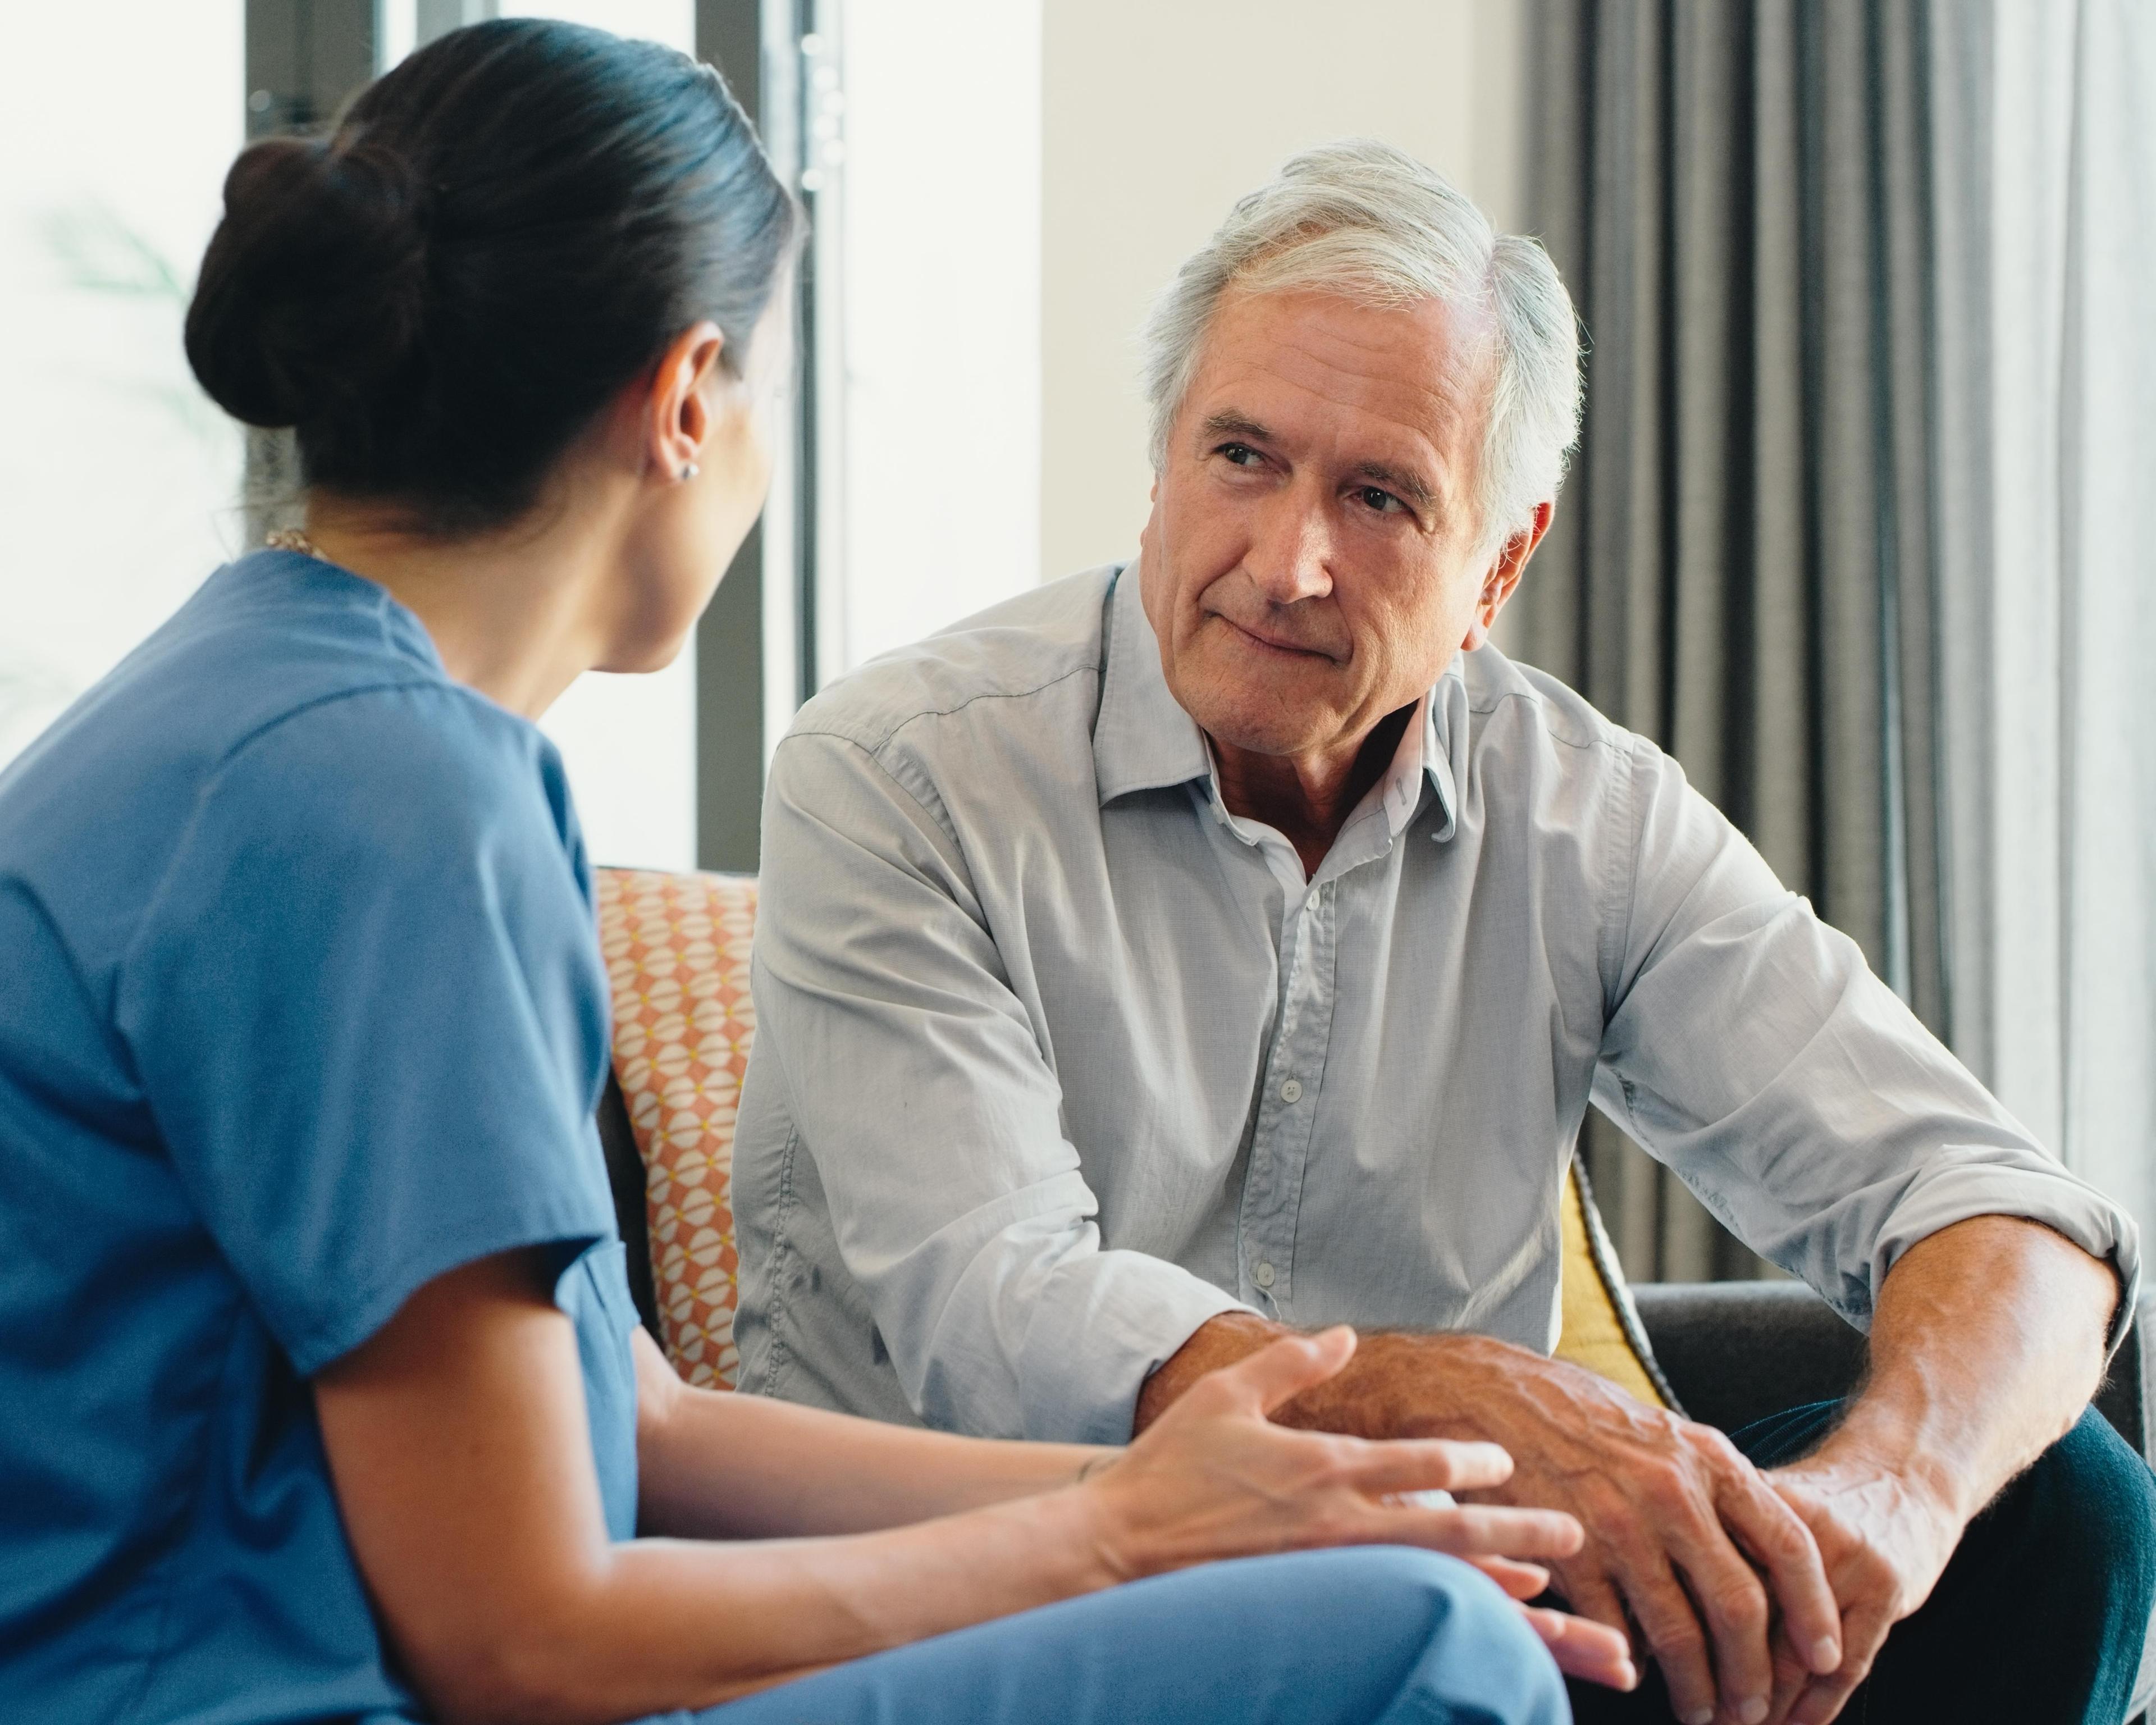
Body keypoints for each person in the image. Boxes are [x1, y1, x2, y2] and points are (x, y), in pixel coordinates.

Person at [0, 28, 1637, 1725]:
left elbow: (636, 1428)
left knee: (1375, 1586)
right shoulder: (392, 794)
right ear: (690, 398)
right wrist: (1121, 1545)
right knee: (1427, 1649)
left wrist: (1200, 1504)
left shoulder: (280, 704)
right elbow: (520, 1638)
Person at [732, 139, 2156, 1725]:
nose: (1289, 565)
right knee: (1428, 1627)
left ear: (1500, 562)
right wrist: (1438, 1393)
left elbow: (2006, 1212)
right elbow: (992, 1308)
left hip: (1463, 1618)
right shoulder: (894, 774)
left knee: (2065, 1510)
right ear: (1158, 466)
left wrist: (1887, 1497)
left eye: (1382, 496)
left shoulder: (1587, 814)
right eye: (1243, 459)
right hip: (1015, 1593)